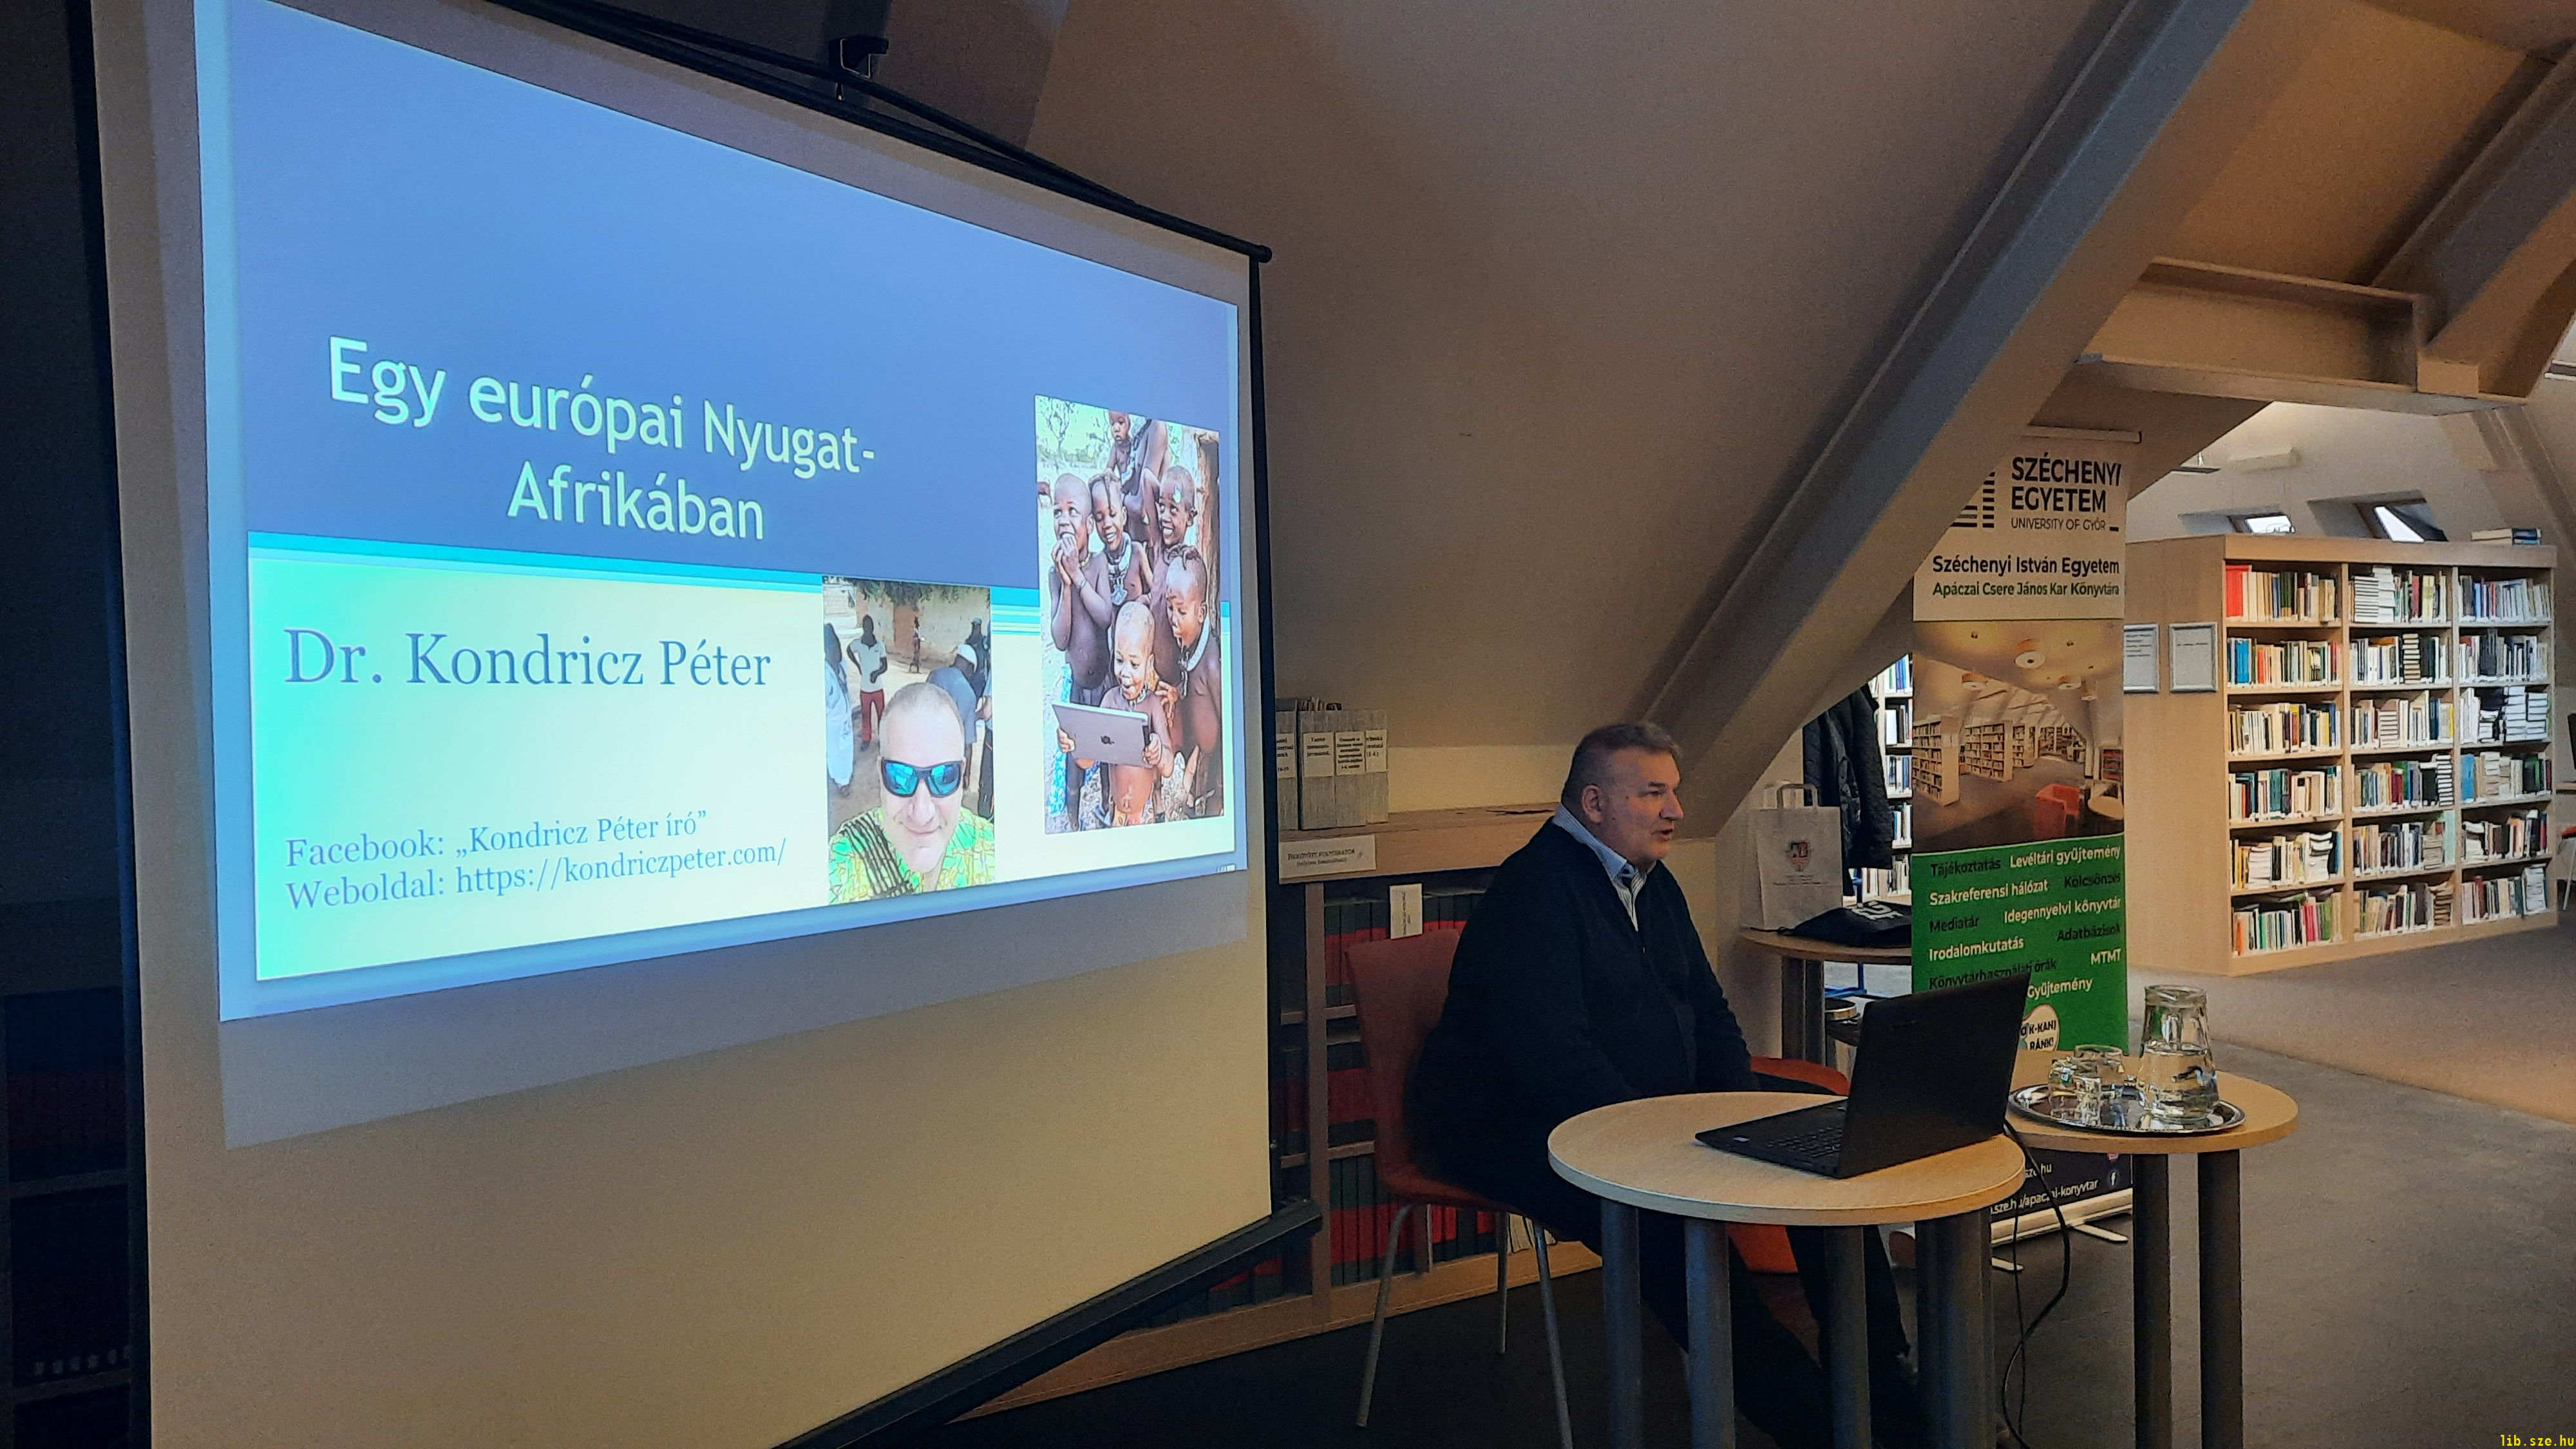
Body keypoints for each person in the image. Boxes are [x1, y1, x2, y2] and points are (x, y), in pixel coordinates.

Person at [1408, 723, 1926, 1449]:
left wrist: (1739, 1114)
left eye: (1673, 792)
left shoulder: (1650, 878)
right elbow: (1554, 1061)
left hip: (1649, 1105)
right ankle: (1813, 1424)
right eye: (1654, 794)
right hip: (1516, 1125)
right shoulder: (1533, 893)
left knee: (1817, 1135)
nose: (1676, 811)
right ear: (1594, 803)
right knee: (1667, 1229)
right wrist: (1672, 1146)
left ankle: (1883, 1391)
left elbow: (1708, 1010)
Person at [827, 683, 995, 900]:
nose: (922, 815)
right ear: (881, 775)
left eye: (944, 777)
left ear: (962, 774)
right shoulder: (842, 861)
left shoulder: (993, 851)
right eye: (900, 777)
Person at [1157, 545, 1223, 819]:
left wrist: (1221, 785)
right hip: (1195, 754)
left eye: (1181, 611)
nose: (1173, 619)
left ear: (1202, 612)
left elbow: (1226, 721)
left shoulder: (1211, 663)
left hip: (1213, 766)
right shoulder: (1187, 646)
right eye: (1170, 608)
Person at [824, 622, 855, 798]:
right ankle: (840, 781)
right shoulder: (825, 675)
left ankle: (845, 778)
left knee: (847, 751)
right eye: (833, 648)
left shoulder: (841, 667)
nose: (837, 652)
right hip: (834, 726)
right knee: (836, 754)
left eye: (838, 647)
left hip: (846, 722)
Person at [849, 614, 889, 748]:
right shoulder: (858, 644)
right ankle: (866, 739)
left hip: (878, 688)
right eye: (866, 626)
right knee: (865, 715)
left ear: (873, 627)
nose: (868, 628)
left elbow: (885, 666)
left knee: (881, 715)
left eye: (870, 626)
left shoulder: (879, 645)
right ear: (864, 628)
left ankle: (882, 739)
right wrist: (858, 665)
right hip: (865, 688)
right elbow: (849, 650)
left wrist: (877, 673)